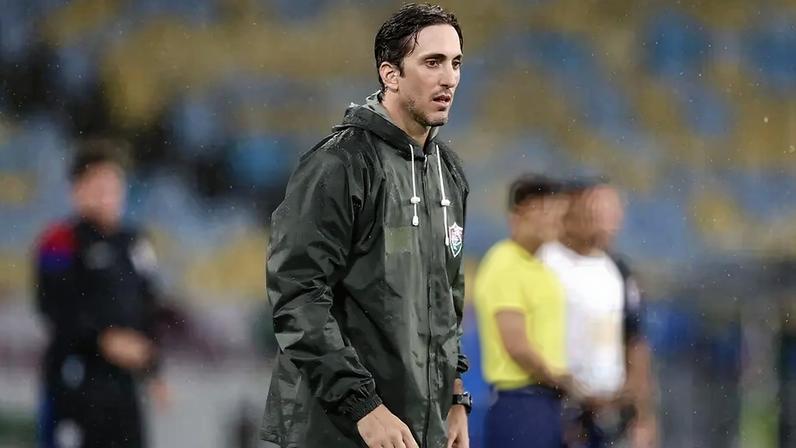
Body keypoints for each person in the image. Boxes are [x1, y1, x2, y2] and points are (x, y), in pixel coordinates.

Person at [260, 4, 471, 448]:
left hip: (419, 428)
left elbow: (446, 296)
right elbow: (298, 294)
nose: (449, 78)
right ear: (390, 74)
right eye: (432, 62)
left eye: (455, 63)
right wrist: (363, 407)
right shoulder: (339, 163)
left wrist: (454, 397)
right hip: (340, 429)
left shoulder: (448, 171)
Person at [34, 139, 168, 448]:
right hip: (75, 379)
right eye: (99, 185)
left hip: (124, 385)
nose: (109, 195)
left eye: (115, 185)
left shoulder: (135, 243)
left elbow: (150, 305)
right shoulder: (59, 240)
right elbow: (53, 306)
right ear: (77, 190)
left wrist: (154, 367)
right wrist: (103, 340)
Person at [537, 181, 657, 448]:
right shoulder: (546, 263)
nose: (607, 221)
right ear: (572, 210)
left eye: (612, 212)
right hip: (559, 407)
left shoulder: (618, 270)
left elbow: (634, 341)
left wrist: (642, 414)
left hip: (610, 414)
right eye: (598, 211)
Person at [473, 175, 573, 448]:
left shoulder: (541, 268)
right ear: (518, 214)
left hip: (546, 402)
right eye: (545, 211)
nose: (555, 220)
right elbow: (516, 345)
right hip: (521, 401)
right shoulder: (504, 264)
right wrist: (560, 379)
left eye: (559, 212)